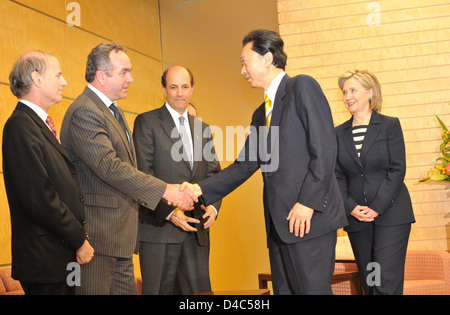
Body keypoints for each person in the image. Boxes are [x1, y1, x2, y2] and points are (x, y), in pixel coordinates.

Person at [183, 30, 348, 295]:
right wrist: (199, 189)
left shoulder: (301, 87)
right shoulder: (261, 113)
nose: (242, 70)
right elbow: (245, 164)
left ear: (268, 58)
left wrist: (307, 203)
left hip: (308, 219)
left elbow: (325, 149)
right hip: (279, 224)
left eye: (245, 61)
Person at [60, 43, 197, 295]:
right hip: (98, 239)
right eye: (124, 72)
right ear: (102, 75)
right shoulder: (85, 111)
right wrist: (165, 190)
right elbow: (109, 167)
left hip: (120, 239)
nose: (131, 79)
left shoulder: (113, 111)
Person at [3, 51, 94, 295]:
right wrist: (79, 240)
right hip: (44, 260)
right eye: (58, 74)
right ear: (37, 78)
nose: (64, 82)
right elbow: (40, 198)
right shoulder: (20, 126)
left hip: (58, 257)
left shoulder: (38, 124)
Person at [133, 66, 221, 294]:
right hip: (159, 230)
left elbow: (214, 175)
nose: (180, 93)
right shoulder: (147, 122)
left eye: (184, 87)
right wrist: (171, 213)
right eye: (173, 87)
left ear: (192, 89)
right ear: (164, 89)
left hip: (196, 231)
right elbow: (143, 177)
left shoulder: (203, 129)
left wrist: (213, 206)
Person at [335, 70, 415, 294]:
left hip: (391, 215)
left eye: (353, 90)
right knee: (370, 280)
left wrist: (376, 208)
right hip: (357, 219)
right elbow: (337, 175)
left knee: (384, 281)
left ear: (370, 92)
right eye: (344, 92)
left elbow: (397, 169)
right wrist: (351, 207)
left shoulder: (389, 125)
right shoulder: (337, 133)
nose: (347, 96)